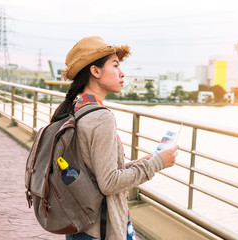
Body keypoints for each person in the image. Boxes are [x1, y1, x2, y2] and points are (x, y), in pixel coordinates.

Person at [52, 36, 179, 240]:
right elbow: (109, 184)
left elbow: (94, 172)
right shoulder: (101, 117)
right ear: (95, 71)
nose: (122, 73)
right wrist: (157, 163)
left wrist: (136, 164)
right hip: (101, 230)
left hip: (82, 225)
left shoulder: (77, 109)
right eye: (115, 65)